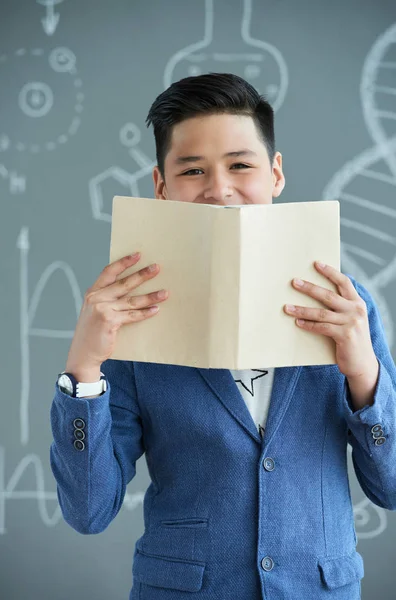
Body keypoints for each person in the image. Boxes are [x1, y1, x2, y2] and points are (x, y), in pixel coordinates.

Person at [49, 73, 396, 600]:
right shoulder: (130, 316)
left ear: (275, 174)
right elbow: (88, 510)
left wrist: (364, 377)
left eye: (240, 164)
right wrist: (84, 370)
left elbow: (389, 487)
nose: (219, 189)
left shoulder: (346, 303)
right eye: (192, 170)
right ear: (161, 186)